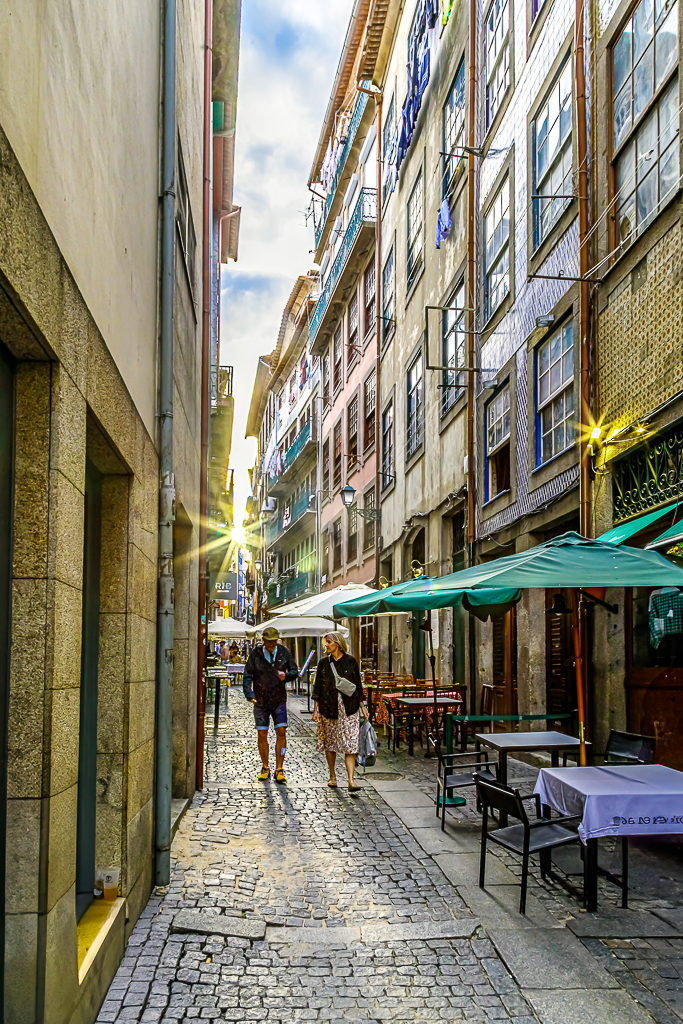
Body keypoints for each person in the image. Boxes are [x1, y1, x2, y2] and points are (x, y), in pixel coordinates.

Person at [242, 625, 299, 783]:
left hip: (279, 699)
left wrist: (285, 676)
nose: (272, 645)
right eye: (269, 642)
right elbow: (247, 675)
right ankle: (265, 767)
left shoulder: (283, 652)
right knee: (262, 734)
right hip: (260, 701)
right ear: (264, 641)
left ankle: (279, 768)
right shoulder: (256, 654)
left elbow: (295, 671)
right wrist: (249, 694)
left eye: (274, 642)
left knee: (282, 732)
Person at [312, 631, 365, 793]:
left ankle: (351, 780)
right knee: (330, 742)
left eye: (328, 642)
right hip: (329, 707)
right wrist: (316, 710)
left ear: (338, 643)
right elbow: (317, 688)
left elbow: (357, 685)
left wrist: (363, 706)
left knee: (351, 743)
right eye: (325, 642)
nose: (326, 645)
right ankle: (332, 775)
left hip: (349, 708)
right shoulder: (323, 663)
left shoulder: (351, 661)